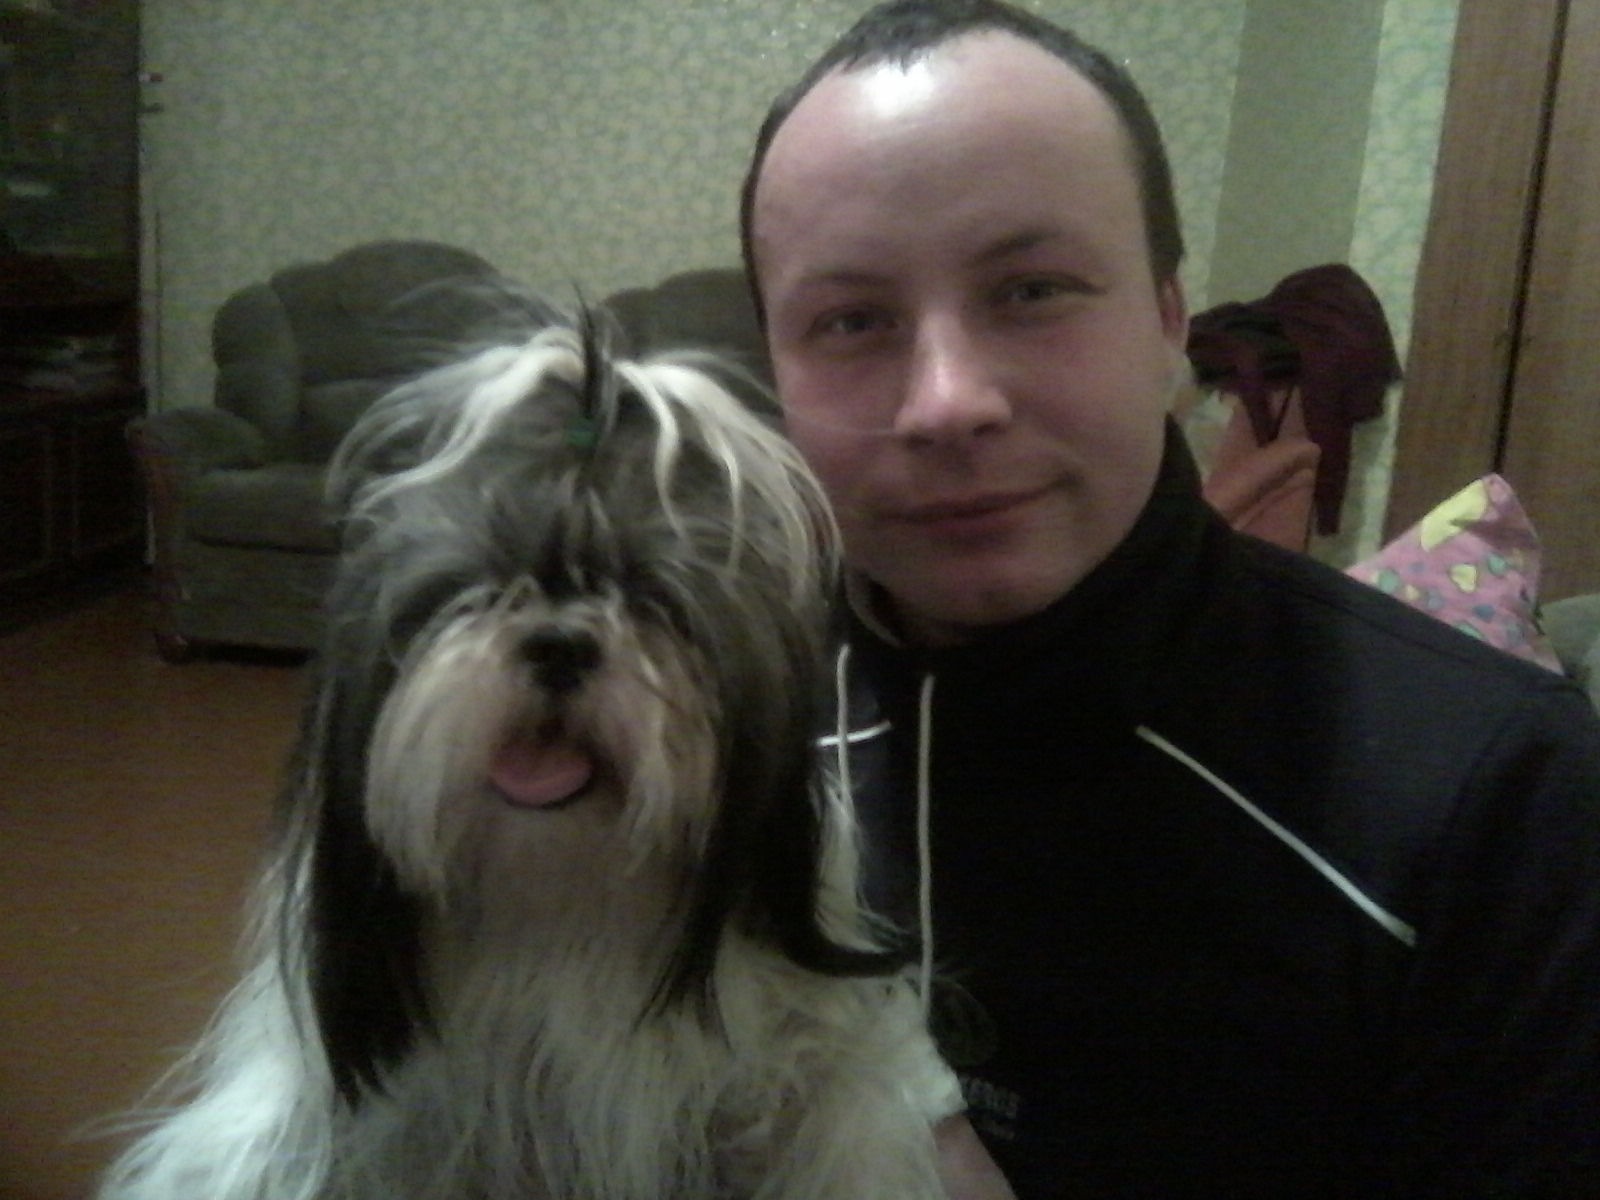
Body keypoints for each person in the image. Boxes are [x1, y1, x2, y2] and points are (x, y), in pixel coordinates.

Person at [738, 1, 1600, 1195]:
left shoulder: (1503, 801)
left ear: (1166, 323)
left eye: (1031, 290)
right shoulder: (698, 729)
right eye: (850, 321)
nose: (945, 403)